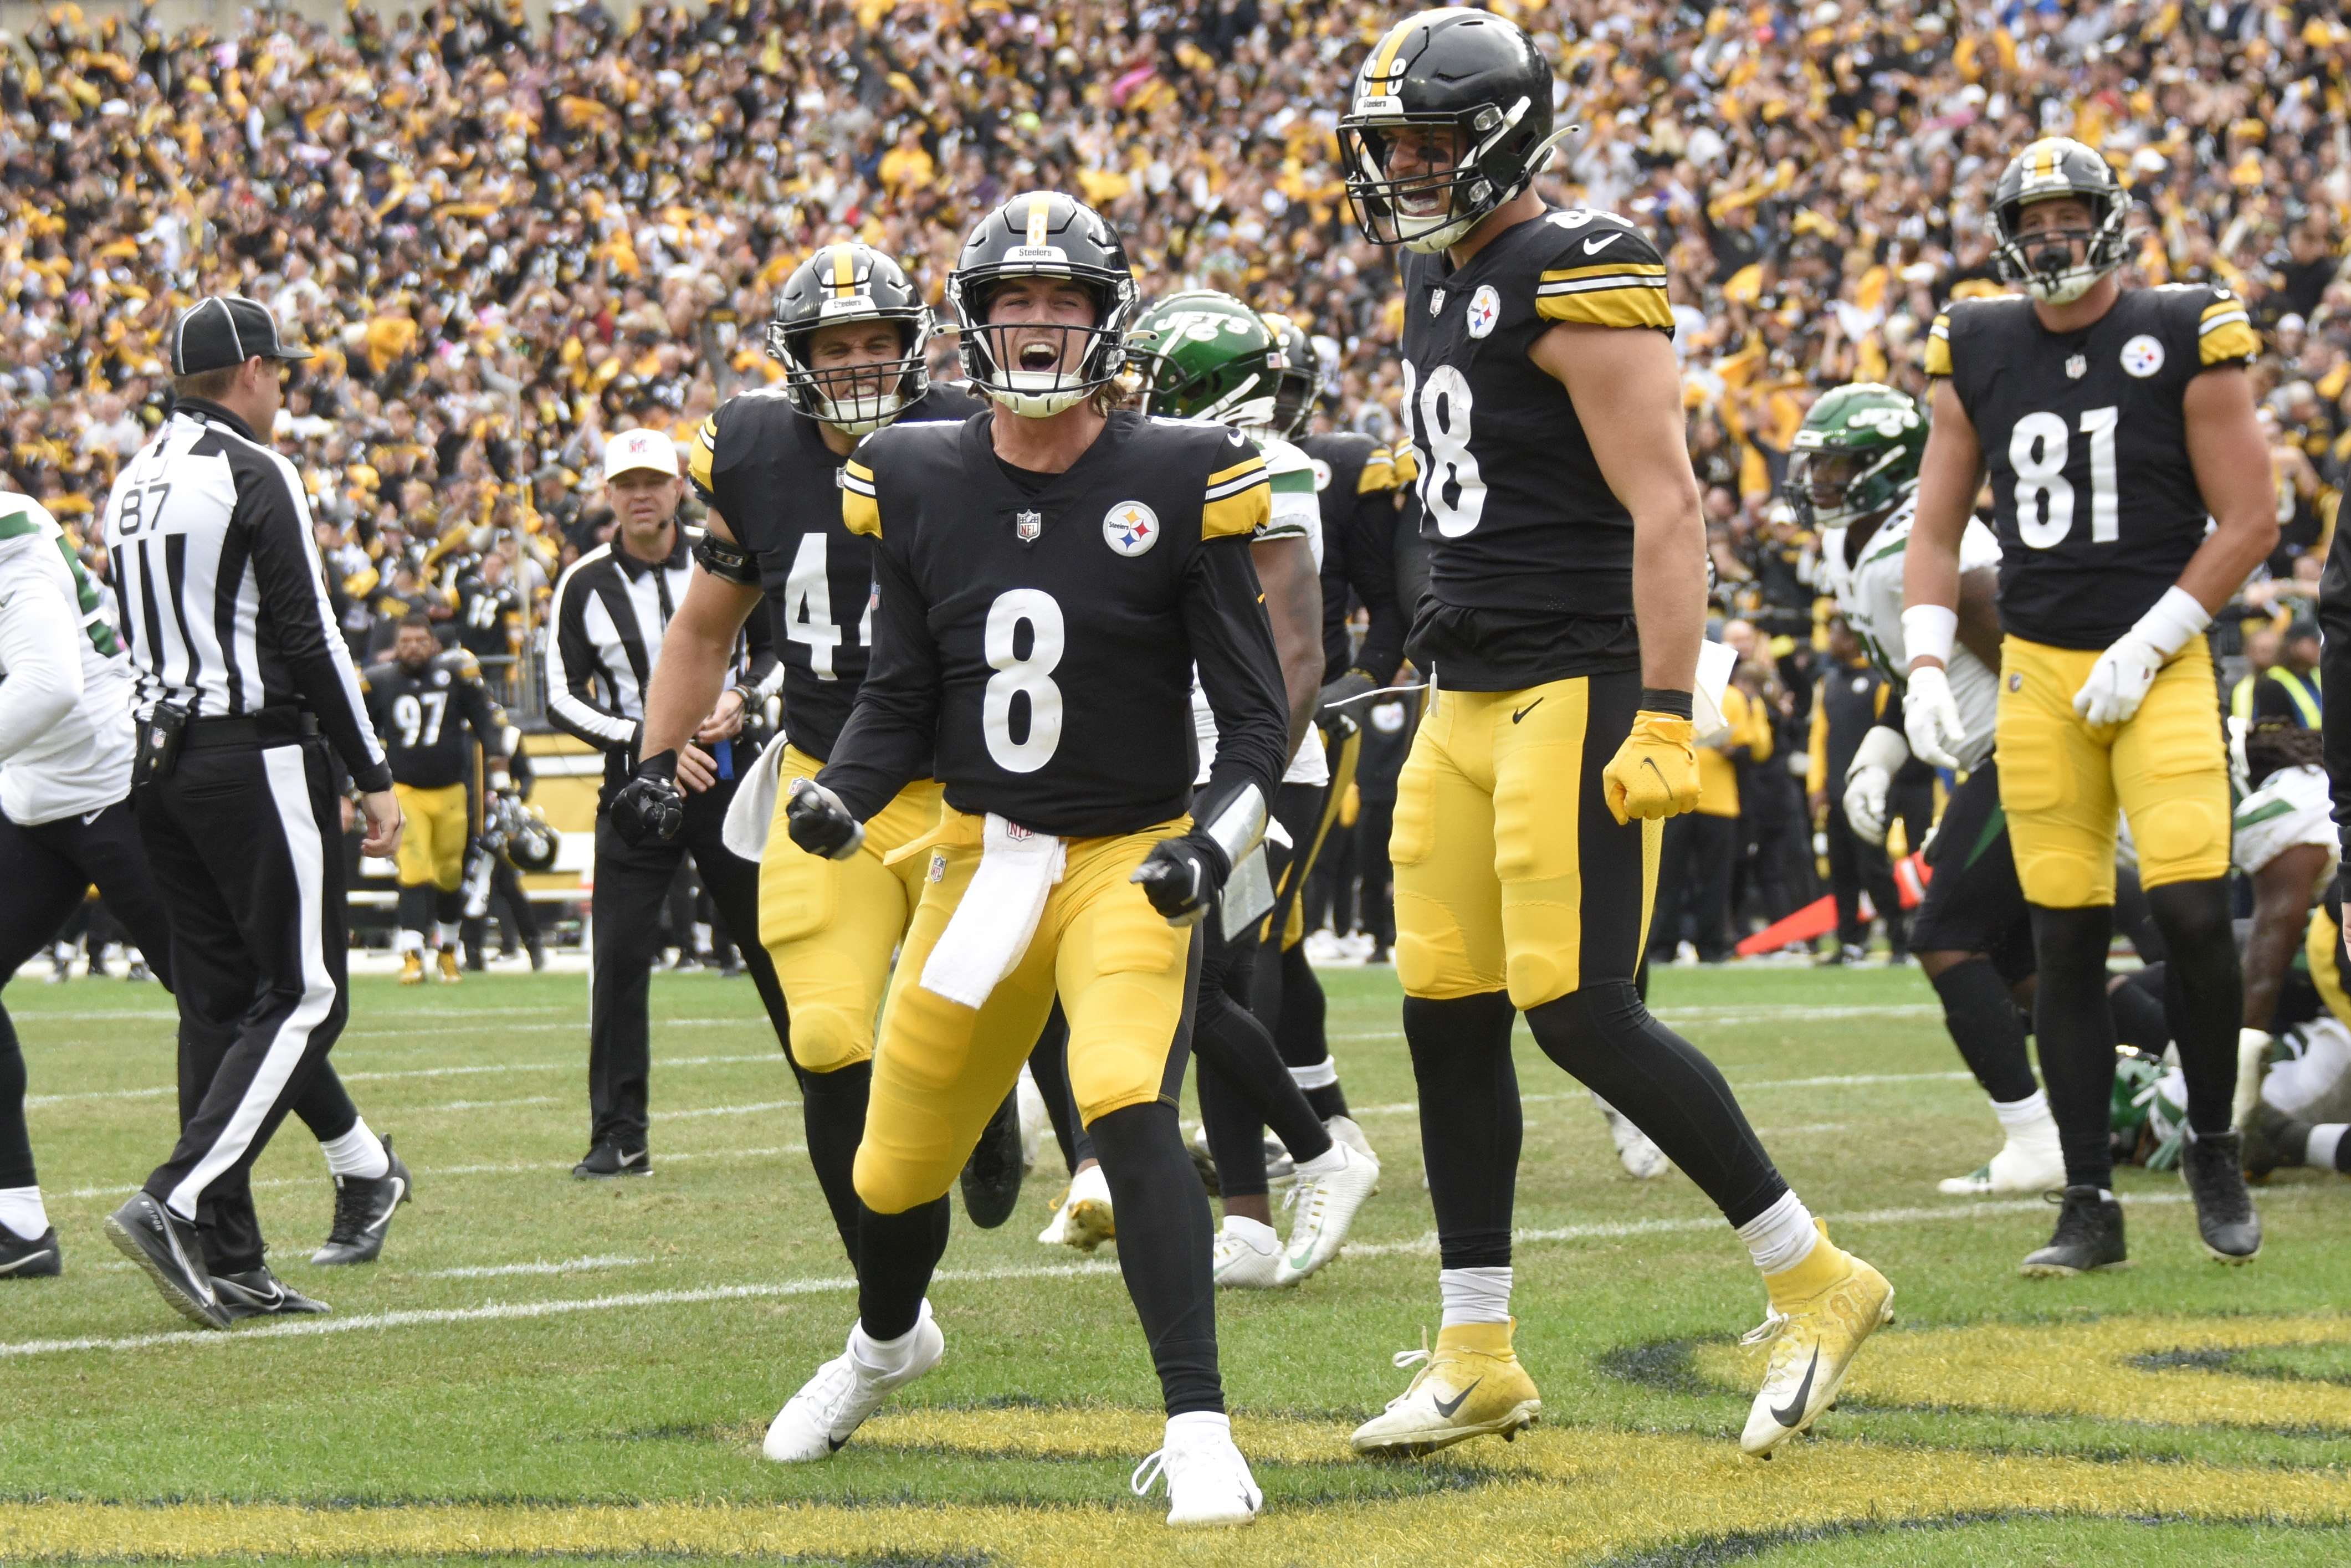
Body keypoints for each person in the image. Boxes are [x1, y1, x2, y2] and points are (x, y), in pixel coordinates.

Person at [1335, 8, 1891, 1461]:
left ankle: (1816, 1277)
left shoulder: (1575, 265)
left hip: (1578, 681)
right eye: (1388, 144)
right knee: (1442, 1011)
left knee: (1578, 1006)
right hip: (1465, 690)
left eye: (1427, 143)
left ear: (1504, 139)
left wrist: (1662, 706)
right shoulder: (1430, 271)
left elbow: (1668, 504)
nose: (1403, 167)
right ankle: (1476, 1352)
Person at [764, 189, 1289, 1526]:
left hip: (1125, 849)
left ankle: (1199, 1424)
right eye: (1016, 307)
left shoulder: (1183, 471)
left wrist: (1207, 850)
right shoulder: (918, 474)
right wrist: (845, 798)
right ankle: (887, 1343)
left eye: (1063, 307)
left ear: (1105, 325)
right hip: (980, 855)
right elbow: (895, 695)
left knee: (1121, 1092)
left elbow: (1252, 719)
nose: (1040, 328)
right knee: (892, 1171)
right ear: (978, 325)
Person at [1904, 137, 2273, 1273]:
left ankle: (2212, 1141)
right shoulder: (1975, 340)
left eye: (2074, 216)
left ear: (2111, 221)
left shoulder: (2186, 327)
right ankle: (2086, 1198)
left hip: (2155, 666)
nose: (2054, 237)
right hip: (2040, 670)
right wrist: (1924, 657)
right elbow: (1935, 522)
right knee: (2062, 938)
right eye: (2036, 218)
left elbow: (2251, 518)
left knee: (2196, 916)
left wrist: (2154, 638)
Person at [617, 241, 1018, 1258]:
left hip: (964, 782)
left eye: (873, 344)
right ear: (794, 356)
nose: (851, 365)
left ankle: (987, 1103)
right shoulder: (752, 449)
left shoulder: (977, 438)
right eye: (829, 346)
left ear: (912, 348)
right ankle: (888, 1292)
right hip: (825, 776)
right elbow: (705, 629)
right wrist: (655, 762)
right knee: (829, 1038)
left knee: (961, 1022)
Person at [0, 494, 413, 1279]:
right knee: (222, 999)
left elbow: (47, 685)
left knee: (219, 1000)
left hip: (108, 784)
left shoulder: (10, 540)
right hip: (31, 793)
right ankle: (17, 1219)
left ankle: (360, 1166)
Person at [96, 296, 404, 1326]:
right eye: (283, 372)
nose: (286, 389)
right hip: (249, 750)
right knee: (311, 995)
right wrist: (371, 774)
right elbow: (309, 635)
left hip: (159, 762)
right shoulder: (253, 469)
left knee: (219, 1003)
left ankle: (232, 1256)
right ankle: (176, 1202)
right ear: (256, 371)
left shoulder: (130, 480)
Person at [1119, 288, 1381, 1288]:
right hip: (1177, 760)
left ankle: (1321, 1155)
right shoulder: (1163, 467)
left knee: (1205, 985)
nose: (1131, 390)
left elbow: (1298, 649)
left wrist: (1248, 783)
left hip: (1254, 764)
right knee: (1204, 987)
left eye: (1152, 374)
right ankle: (1250, 1222)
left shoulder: (1268, 469)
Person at [1798, 383, 2066, 1197]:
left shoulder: (1919, 537)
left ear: (1884, 469)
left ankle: (2035, 1137)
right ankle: (2169, 1073)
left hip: (2027, 749)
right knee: (2022, 960)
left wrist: (2055, 764)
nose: (1820, 481)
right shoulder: (1864, 545)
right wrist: (1875, 758)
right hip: (2000, 756)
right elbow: (1913, 673)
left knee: (1945, 934)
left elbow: (2021, 657)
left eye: (1837, 465)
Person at [544, 427, 792, 1178]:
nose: (641, 493)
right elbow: (560, 694)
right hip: (635, 790)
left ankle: (839, 1098)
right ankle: (619, 1135)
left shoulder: (726, 552)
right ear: (609, 493)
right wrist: (650, 741)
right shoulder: (583, 581)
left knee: (778, 947)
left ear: (680, 485)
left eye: (655, 479)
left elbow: (781, 648)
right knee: (617, 958)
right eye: (627, 483)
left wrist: (744, 698)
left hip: (729, 776)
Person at [362, 613, 510, 983]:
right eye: (406, 641)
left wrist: (502, 778)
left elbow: (487, 724)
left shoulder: (455, 678)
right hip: (407, 789)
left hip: (450, 791)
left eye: (419, 640)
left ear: (433, 644)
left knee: (449, 874)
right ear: (395, 645)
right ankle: (412, 955)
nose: (413, 648)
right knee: (414, 869)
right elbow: (359, 732)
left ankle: (448, 951)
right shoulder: (381, 681)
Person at [2250, 619, 2323, 731]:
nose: (2319, 648)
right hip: (2296, 747)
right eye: (2313, 642)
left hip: (2314, 746)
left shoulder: (2314, 677)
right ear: (2294, 646)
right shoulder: (2272, 685)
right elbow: (2272, 735)